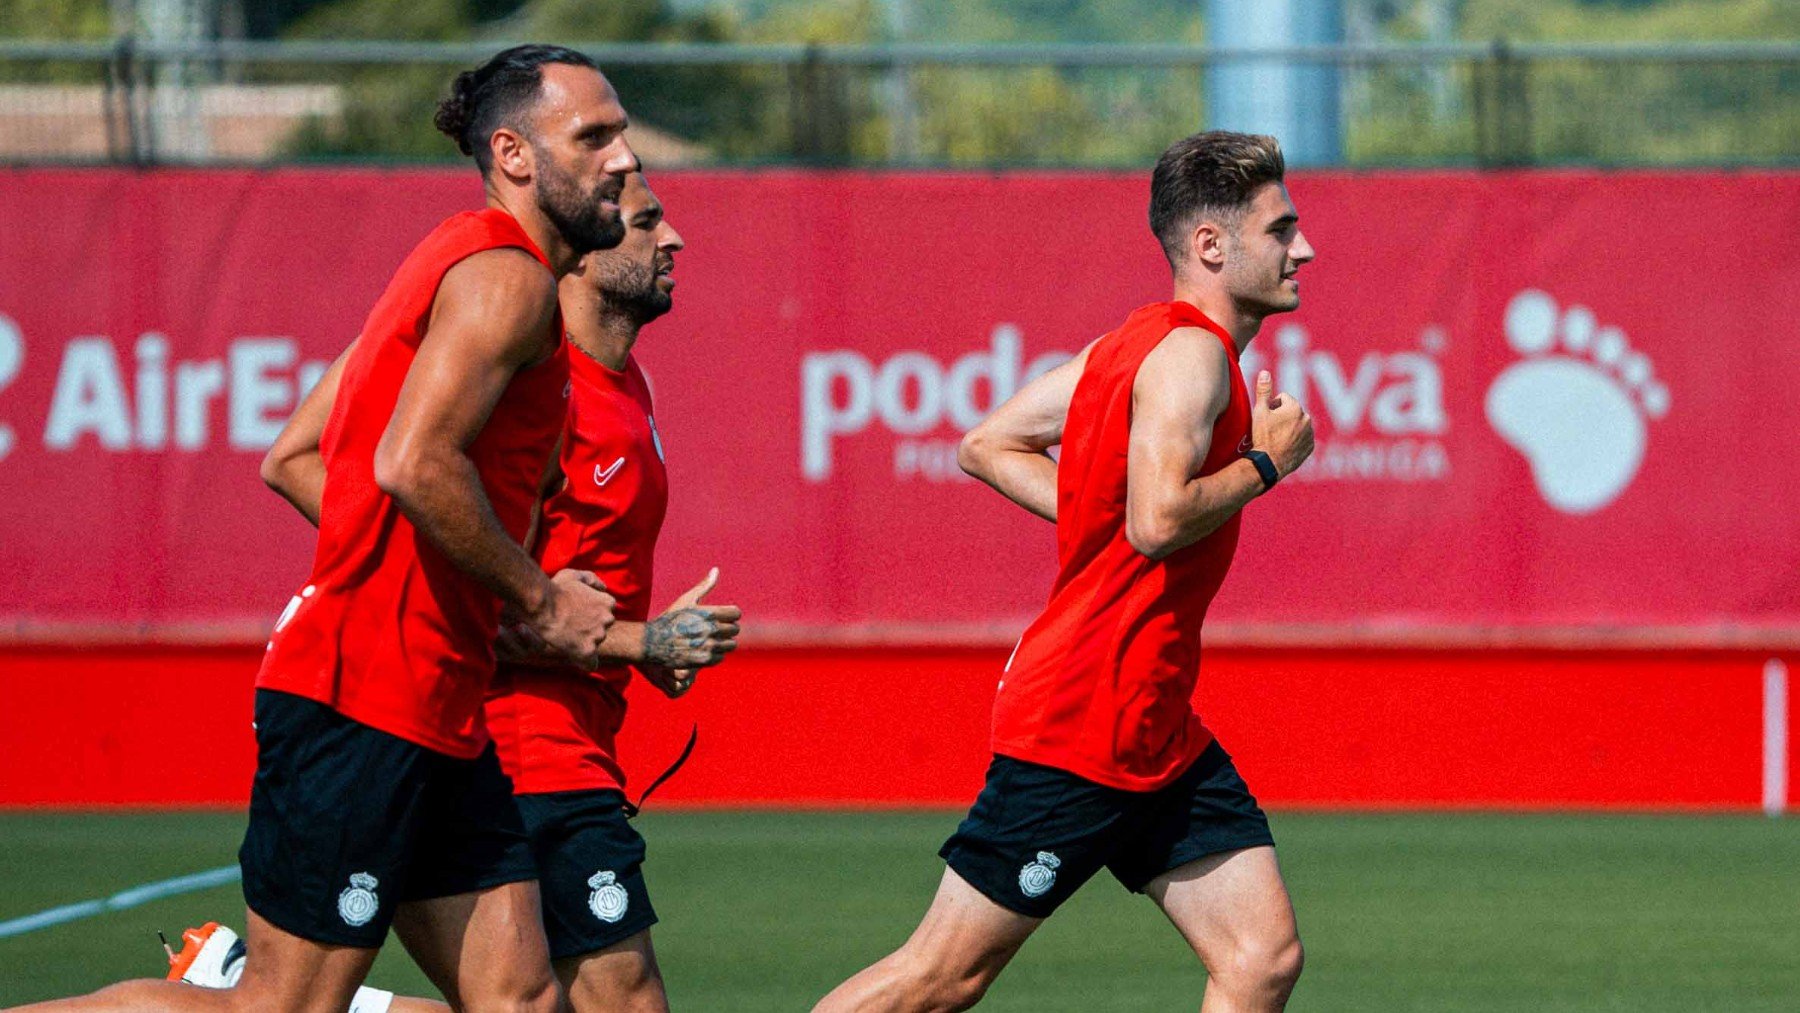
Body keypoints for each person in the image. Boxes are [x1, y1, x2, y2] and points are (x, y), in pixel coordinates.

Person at [19, 44, 638, 1013]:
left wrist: (449, 583)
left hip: (437, 701)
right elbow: (410, 461)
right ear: (514, 153)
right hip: (362, 699)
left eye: (622, 133)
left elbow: (298, 458)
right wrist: (538, 594)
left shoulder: (463, 261)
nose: (624, 158)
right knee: (278, 1004)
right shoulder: (504, 282)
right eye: (593, 136)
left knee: (521, 999)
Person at [814, 130, 1318, 1013]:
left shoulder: (1128, 345)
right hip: (1084, 720)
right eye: (1281, 229)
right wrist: (1265, 466)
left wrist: (1100, 514)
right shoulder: (1192, 355)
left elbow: (988, 444)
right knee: (939, 979)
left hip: (1154, 728)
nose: (1303, 248)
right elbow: (1158, 521)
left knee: (1261, 956)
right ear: (1210, 245)